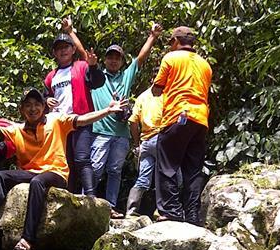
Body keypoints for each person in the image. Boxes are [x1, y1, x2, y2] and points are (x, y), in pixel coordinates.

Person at [0, 88, 128, 250]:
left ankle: (27, 239)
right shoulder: (17, 129)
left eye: (37, 104)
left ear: (44, 107)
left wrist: (107, 111)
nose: (33, 108)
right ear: (22, 109)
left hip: (56, 172)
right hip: (29, 172)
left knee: (38, 182)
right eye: (28, 105)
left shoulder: (56, 120)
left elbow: (83, 120)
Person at [89, 24, 163, 217]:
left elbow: (141, 58)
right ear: (105, 60)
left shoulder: (126, 77)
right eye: (110, 57)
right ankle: (86, 202)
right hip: (100, 131)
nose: (113, 61)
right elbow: (82, 55)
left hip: (121, 134)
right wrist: (71, 32)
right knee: (95, 169)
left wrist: (153, 36)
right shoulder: (97, 77)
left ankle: (111, 206)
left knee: (115, 171)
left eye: (117, 58)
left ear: (122, 61)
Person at [152, 26, 212, 225]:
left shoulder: (171, 58)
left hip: (178, 115)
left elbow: (157, 88)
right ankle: (193, 215)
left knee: (167, 165)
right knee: (193, 170)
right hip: (200, 120)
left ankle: (171, 212)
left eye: (171, 42)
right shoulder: (205, 65)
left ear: (176, 41)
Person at [43, 16, 104, 196]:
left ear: (72, 50)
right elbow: (44, 98)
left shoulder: (81, 67)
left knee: (82, 158)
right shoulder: (50, 76)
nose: (63, 51)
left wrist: (93, 67)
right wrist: (46, 100)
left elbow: (97, 82)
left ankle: (91, 196)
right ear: (54, 53)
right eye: (59, 48)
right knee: (65, 160)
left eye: (66, 47)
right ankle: (68, 195)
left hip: (81, 119)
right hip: (61, 124)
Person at [126, 85, 163, 216]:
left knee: (143, 178)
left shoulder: (142, 97)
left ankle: (131, 211)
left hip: (146, 142)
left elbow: (133, 122)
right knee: (169, 176)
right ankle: (161, 210)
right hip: (161, 138)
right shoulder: (167, 94)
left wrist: (137, 144)